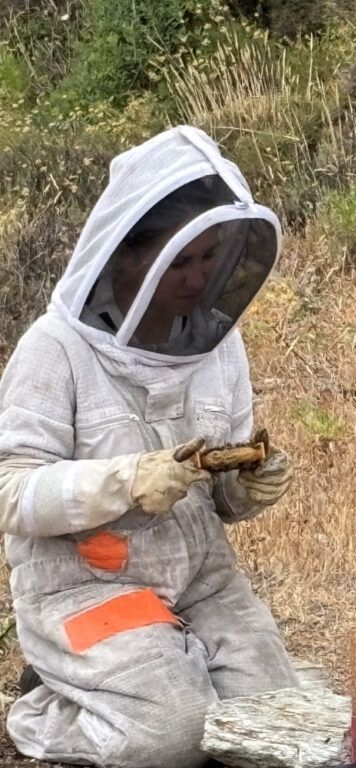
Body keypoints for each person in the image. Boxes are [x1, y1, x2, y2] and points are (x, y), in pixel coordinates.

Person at [0, 125, 297, 767]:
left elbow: (217, 492)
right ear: (128, 257)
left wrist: (244, 486)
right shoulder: (55, 349)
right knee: (173, 739)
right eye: (179, 261)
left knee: (275, 729)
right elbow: (10, 492)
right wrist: (123, 483)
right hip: (84, 588)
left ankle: (165, 672)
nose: (197, 278)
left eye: (207, 257)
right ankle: (49, 708)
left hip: (201, 583)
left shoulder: (220, 345)